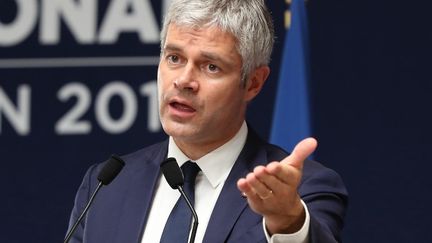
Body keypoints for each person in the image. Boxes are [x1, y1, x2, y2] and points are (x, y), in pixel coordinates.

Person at [66, 0, 348, 242]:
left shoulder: (301, 191)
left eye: (211, 66)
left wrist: (287, 222)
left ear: (253, 83)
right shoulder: (106, 183)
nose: (183, 80)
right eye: (174, 58)